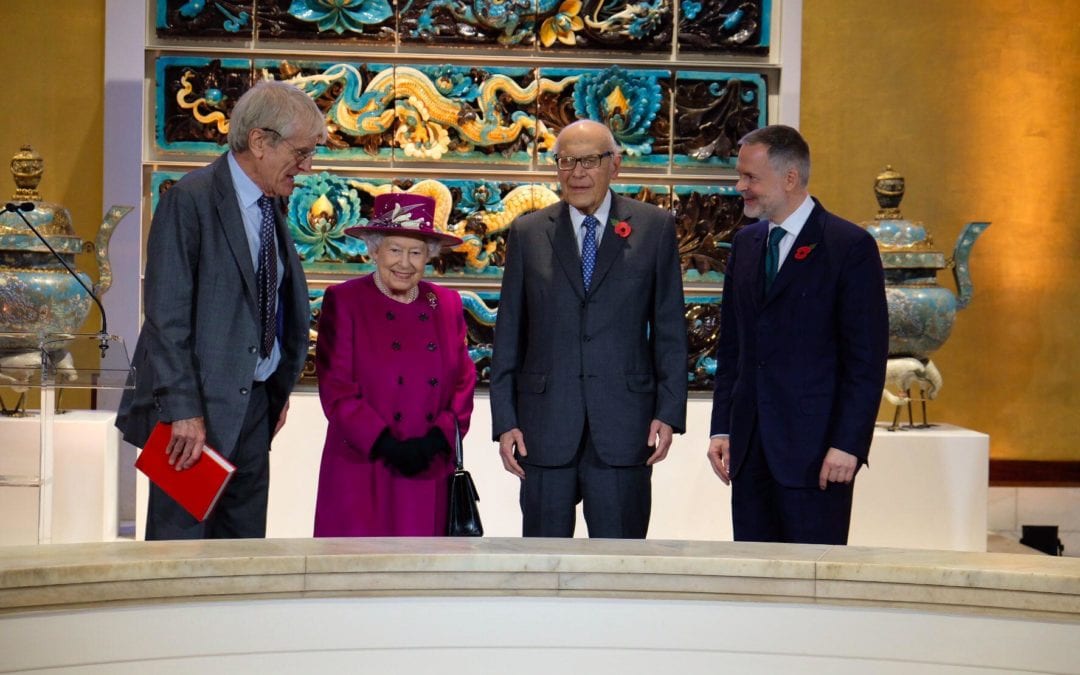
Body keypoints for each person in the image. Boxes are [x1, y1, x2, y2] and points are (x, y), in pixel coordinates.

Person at [116, 80, 327, 539]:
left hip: (253, 408)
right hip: (193, 419)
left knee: (241, 552)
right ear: (259, 142)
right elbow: (165, 319)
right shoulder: (189, 200)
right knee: (181, 552)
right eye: (301, 152)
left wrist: (275, 383)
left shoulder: (273, 205)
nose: (307, 166)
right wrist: (182, 411)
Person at [489, 119, 687, 539]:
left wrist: (668, 413)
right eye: (565, 161)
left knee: (619, 567)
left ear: (615, 164)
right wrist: (505, 421)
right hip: (542, 428)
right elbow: (508, 334)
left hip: (624, 426)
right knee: (544, 565)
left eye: (589, 161)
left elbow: (669, 329)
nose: (576, 173)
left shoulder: (654, 227)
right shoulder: (528, 233)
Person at [707, 124, 889, 545]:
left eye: (750, 178)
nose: (740, 187)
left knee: (812, 585)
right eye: (740, 176)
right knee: (756, 583)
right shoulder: (746, 244)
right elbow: (732, 350)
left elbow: (865, 361)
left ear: (790, 178)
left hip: (819, 457)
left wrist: (849, 444)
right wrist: (722, 430)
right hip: (749, 455)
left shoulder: (849, 246)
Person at [312, 192, 475, 537]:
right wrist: (384, 443)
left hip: (430, 469)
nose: (405, 263)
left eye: (416, 252)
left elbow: (463, 382)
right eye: (395, 250)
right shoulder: (345, 300)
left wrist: (437, 440)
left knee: (422, 578)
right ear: (373, 250)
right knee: (361, 576)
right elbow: (337, 387)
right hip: (364, 465)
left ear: (429, 256)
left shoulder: (445, 303)